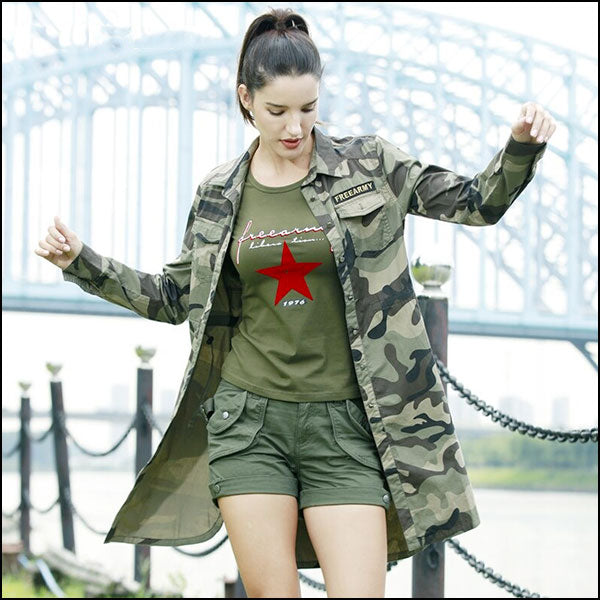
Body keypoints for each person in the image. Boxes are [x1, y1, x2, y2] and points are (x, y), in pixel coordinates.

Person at [35, 7, 554, 598]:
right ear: (246, 99)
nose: (294, 126)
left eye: (308, 108)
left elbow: (476, 203)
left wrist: (520, 147)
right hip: (249, 423)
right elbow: (175, 297)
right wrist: (82, 261)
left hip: (347, 426)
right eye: (277, 110)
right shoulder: (218, 194)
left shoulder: (370, 164)